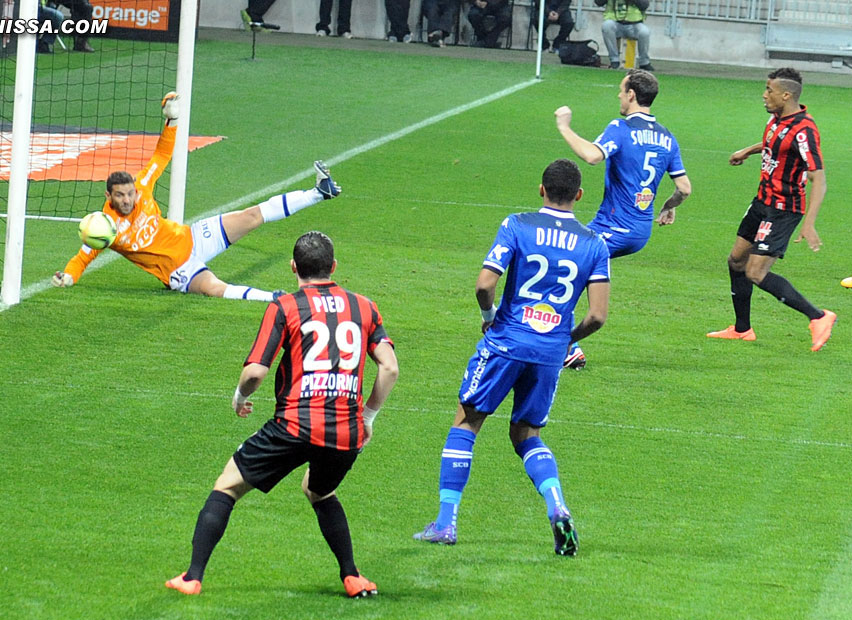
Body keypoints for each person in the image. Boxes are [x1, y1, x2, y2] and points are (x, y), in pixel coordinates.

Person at [165, 231, 399, 598]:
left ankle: (192, 577)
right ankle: (352, 576)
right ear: (334, 267)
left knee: (227, 485)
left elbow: (256, 371)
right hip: (345, 432)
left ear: (294, 268)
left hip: (293, 425)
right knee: (320, 490)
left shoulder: (285, 306)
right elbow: (390, 368)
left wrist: (240, 396)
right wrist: (367, 417)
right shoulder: (364, 306)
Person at [412, 159, 609, 555]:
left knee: (466, 421)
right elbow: (597, 315)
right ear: (579, 195)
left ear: (541, 190)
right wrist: (562, 339)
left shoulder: (517, 225)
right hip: (550, 351)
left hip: (506, 341)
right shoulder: (594, 243)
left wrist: (489, 319)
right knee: (526, 434)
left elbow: (485, 285)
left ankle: (446, 523)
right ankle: (557, 505)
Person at [52, 93, 342, 301]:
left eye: (130, 194)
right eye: (121, 196)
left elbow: (162, 153)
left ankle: (319, 192)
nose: (129, 200)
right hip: (179, 270)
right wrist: (68, 276)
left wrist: (172, 119)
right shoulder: (107, 229)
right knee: (215, 288)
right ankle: (276, 299)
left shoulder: (142, 185)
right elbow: (82, 257)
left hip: (195, 237)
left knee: (251, 216)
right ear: (109, 196)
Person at [555, 69, 691, 368]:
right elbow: (684, 188)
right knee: (575, 266)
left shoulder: (621, 128)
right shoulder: (668, 138)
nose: (618, 95)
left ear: (631, 94)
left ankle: (565, 345)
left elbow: (592, 156)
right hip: (640, 232)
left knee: (562, 264)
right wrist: (668, 206)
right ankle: (564, 342)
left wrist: (564, 127)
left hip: (613, 228)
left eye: (621, 90)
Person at [706, 68, 836, 351]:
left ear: (786, 95)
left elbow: (819, 178)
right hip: (762, 202)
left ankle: (819, 316)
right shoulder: (777, 119)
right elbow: (774, 142)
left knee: (755, 272)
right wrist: (748, 151)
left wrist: (809, 223)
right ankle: (742, 329)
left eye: (769, 90)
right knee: (736, 260)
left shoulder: (805, 130)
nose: (764, 96)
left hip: (783, 210)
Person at [594, 0, 652, 71]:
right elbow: (598, 2)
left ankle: (644, 62)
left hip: (635, 24)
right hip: (615, 23)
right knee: (606, 26)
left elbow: (644, 5)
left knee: (644, 32)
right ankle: (614, 60)